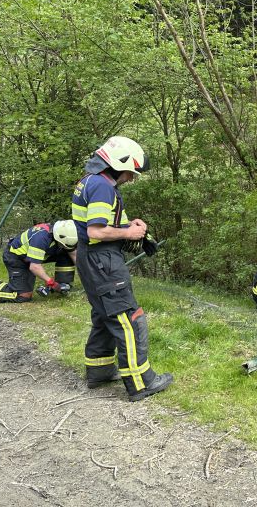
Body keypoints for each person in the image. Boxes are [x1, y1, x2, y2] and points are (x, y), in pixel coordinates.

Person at [71, 136, 172, 401]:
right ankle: (142, 382)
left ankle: (100, 370)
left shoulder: (90, 181)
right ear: (118, 164)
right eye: (131, 172)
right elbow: (96, 230)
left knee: (105, 315)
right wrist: (128, 234)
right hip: (102, 261)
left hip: (90, 259)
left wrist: (130, 227)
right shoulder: (102, 187)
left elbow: (99, 223)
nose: (132, 178)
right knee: (129, 318)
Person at [0, 220, 78, 303]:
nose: (67, 247)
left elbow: (74, 254)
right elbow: (35, 267)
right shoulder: (41, 238)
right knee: (23, 296)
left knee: (65, 254)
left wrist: (85, 275)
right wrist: (51, 283)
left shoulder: (63, 231)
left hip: (32, 257)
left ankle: (63, 284)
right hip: (16, 258)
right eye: (63, 244)